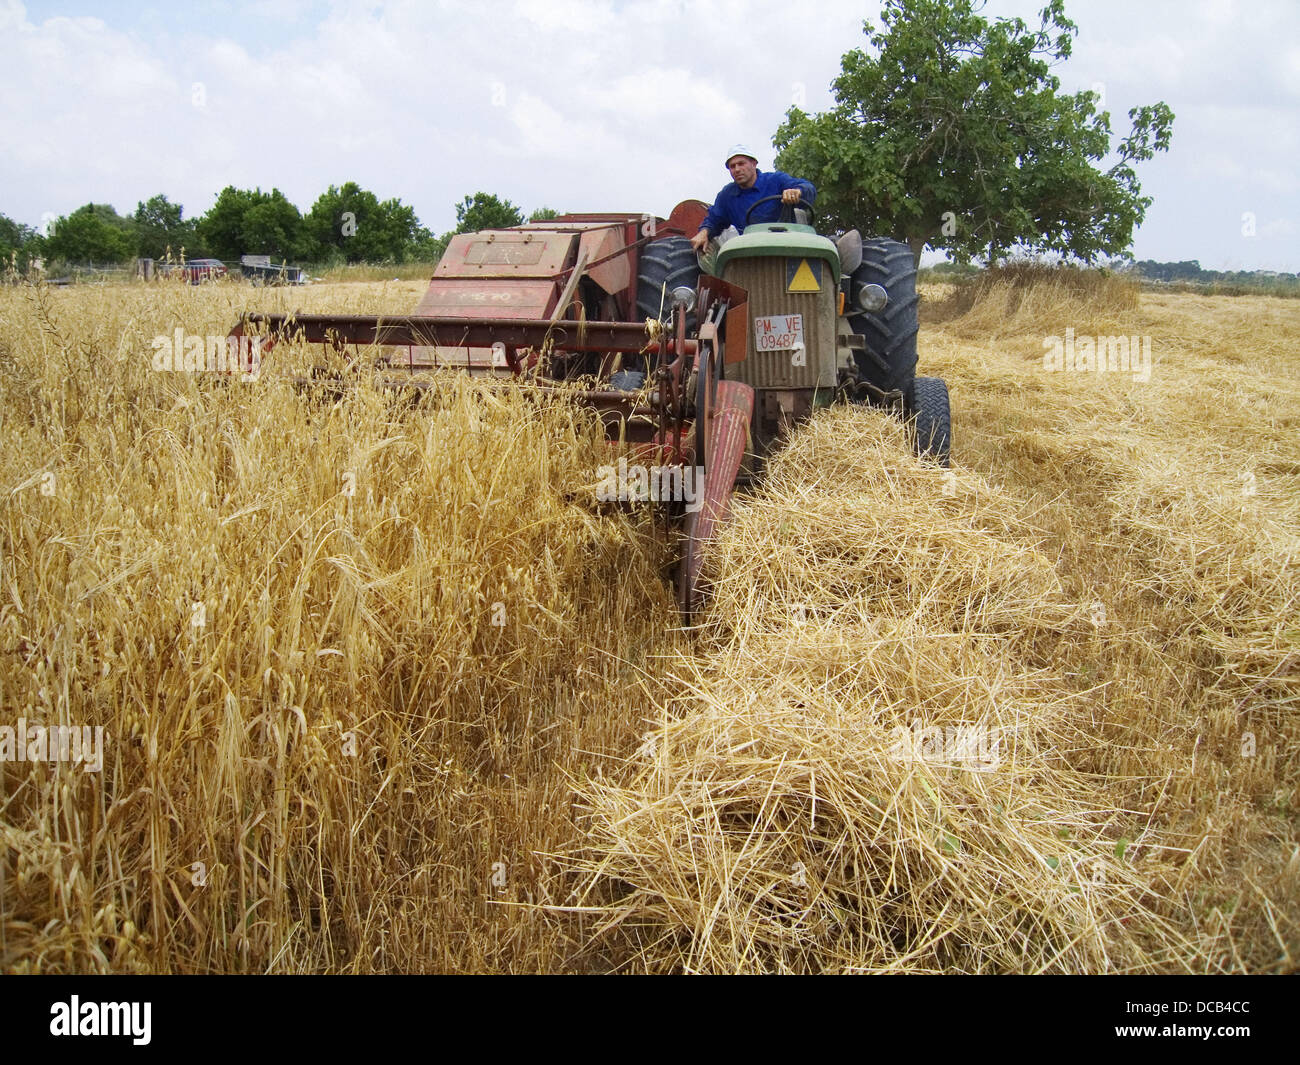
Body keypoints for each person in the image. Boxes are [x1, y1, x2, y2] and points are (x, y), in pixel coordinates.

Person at [689, 145, 817, 252]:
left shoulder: (776, 180)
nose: (737, 169)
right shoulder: (727, 195)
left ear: (754, 163)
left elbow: (808, 188)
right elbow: (714, 219)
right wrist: (704, 232)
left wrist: (797, 192)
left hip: (788, 245)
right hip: (750, 250)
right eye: (732, 166)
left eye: (741, 164)